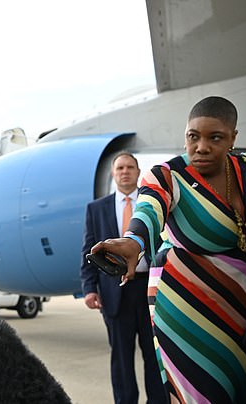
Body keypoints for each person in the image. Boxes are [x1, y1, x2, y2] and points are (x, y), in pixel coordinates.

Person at [90, 96, 246, 403]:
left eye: (214, 138)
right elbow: (149, 209)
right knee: (207, 392)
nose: (201, 147)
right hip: (190, 317)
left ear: (233, 138)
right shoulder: (168, 175)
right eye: (193, 137)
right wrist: (132, 242)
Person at [80, 152, 167, 404]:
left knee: (154, 356)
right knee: (121, 358)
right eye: (120, 168)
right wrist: (89, 289)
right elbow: (87, 251)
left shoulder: (153, 206)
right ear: (113, 173)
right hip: (114, 292)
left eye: (130, 167)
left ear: (138, 172)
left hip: (151, 290)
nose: (125, 171)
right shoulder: (96, 208)